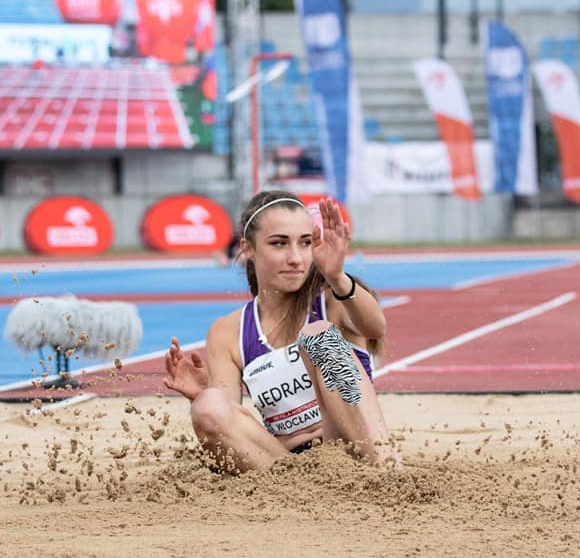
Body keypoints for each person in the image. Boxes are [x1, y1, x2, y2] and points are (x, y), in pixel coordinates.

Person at [163, 190, 401, 474]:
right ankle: (302, 494)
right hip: (285, 470)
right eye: (279, 244)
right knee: (208, 406)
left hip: (355, 456)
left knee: (319, 335)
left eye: (305, 243)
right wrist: (201, 396)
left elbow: (376, 327)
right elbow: (226, 425)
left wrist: (337, 277)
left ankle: (387, 474)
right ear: (248, 248)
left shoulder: (334, 301)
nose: (296, 258)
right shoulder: (228, 332)